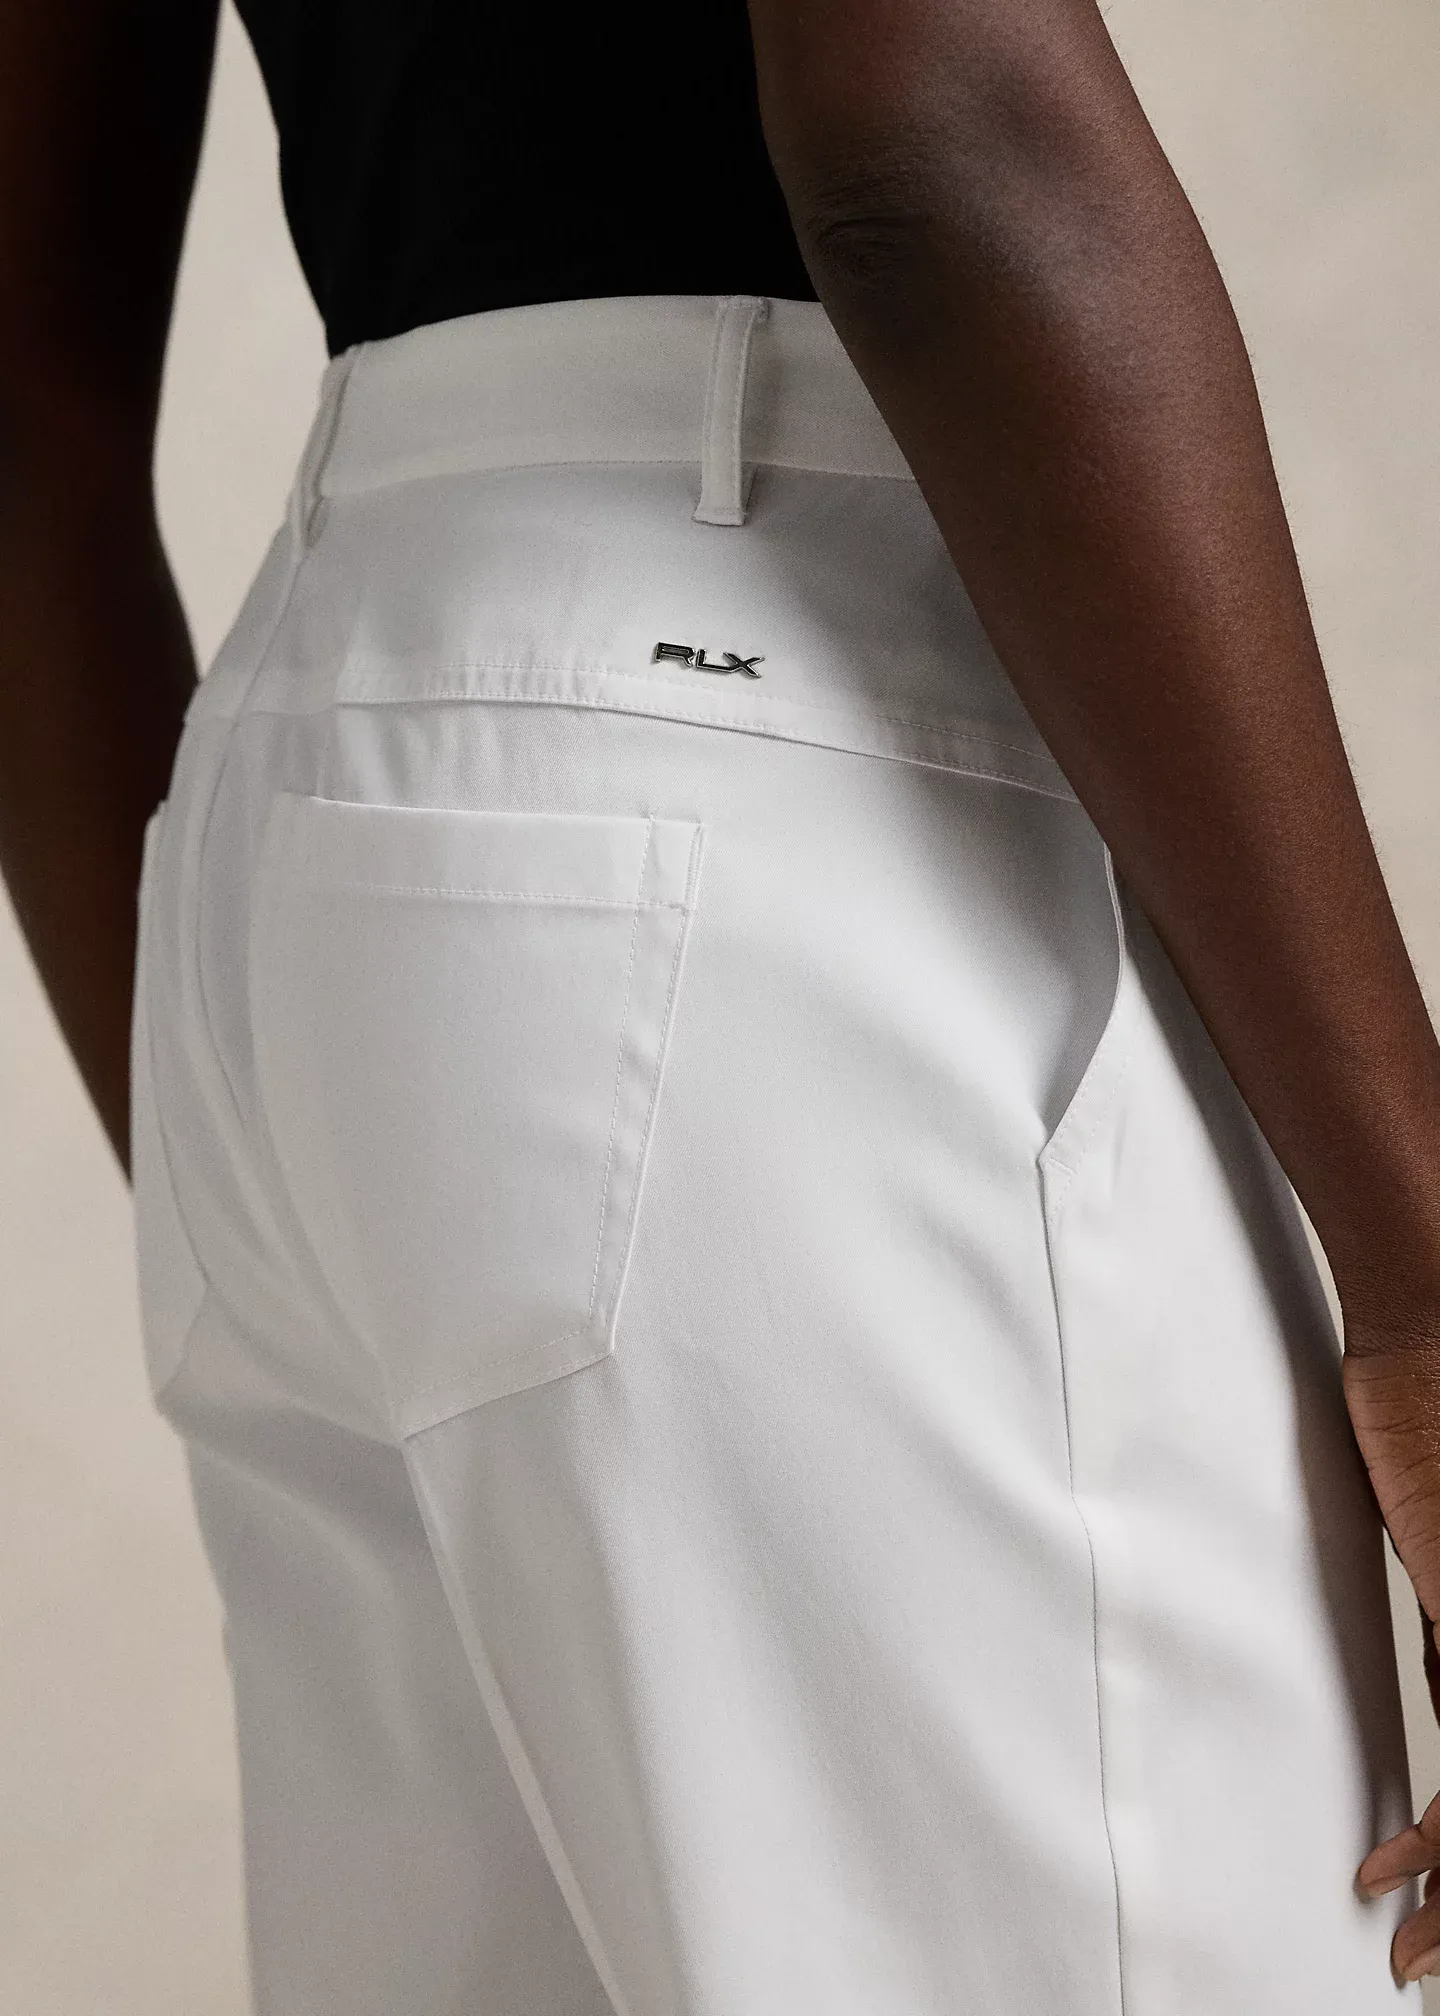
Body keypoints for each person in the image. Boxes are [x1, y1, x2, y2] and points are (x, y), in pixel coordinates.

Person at [2, 0, 1439, 2007]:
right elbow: (927, 121)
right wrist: (1422, 1263)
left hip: (320, 810)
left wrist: (271, 1152)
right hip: (777, 748)